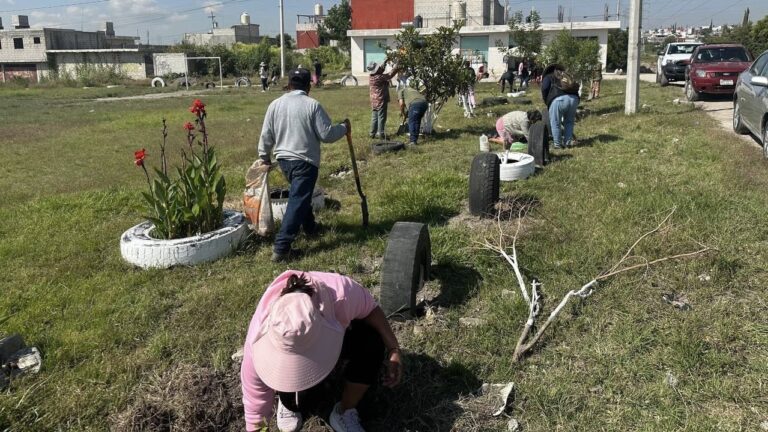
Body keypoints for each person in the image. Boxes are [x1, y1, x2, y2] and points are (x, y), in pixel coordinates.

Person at [241, 271, 403, 432]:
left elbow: (371, 310)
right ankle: (289, 403)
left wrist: (393, 349)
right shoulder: (256, 343)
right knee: (299, 401)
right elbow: (255, 409)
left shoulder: (342, 295)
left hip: (339, 329)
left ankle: (344, 412)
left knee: (371, 341)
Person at [258, 68, 350, 262]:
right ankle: (282, 247)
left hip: (284, 161)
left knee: (301, 195)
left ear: (289, 84)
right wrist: (343, 128)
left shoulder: (275, 104)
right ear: (309, 86)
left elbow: (267, 134)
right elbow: (327, 135)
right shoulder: (312, 106)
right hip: (305, 161)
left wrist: (264, 155)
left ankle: (310, 227)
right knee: (298, 200)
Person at [541, 64, 580, 149]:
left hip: (558, 100)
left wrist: (546, 100)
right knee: (569, 122)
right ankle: (568, 143)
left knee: (555, 122)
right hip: (574, 99)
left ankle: (558, 145)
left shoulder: (548, 76)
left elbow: (544, 88)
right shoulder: (566, 76)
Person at [366, 60, 398, 140]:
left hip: (374, 101)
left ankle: (372, 133)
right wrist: (397, 66)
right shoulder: (379, 77)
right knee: (381, 117)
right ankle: (381, 134)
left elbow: (380, 69)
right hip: (381, 100)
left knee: (374, 117)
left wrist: (385, 61)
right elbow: (390, 75)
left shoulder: (372, 76)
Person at [398, 81, 429, 146]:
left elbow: (401, 104)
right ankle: (414, 139)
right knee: (417, 121)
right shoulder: (413, 90)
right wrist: (406, 113)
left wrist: (402, 113)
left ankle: (413, 141)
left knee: (412, 122)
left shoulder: (400, 91)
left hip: (415, 104)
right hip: (424, 103)